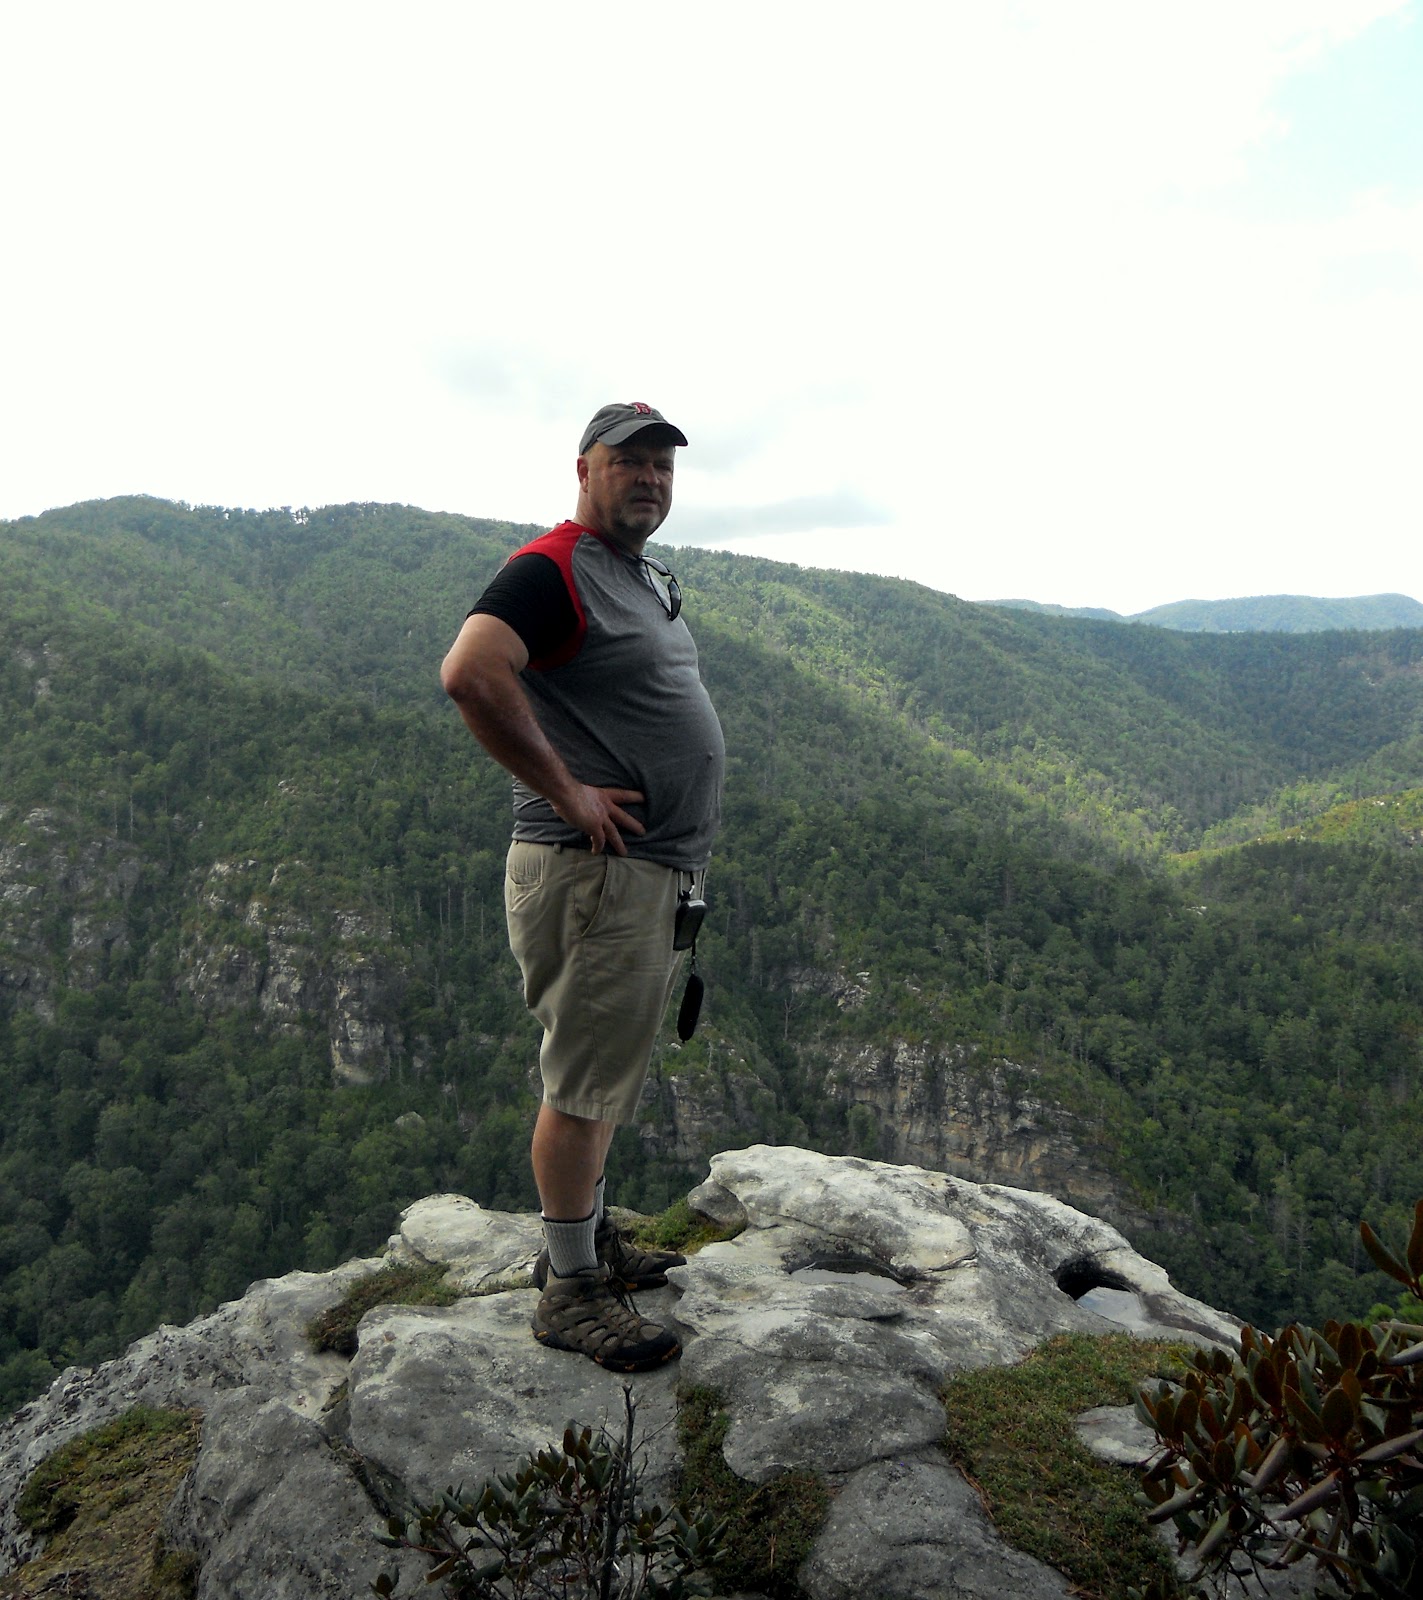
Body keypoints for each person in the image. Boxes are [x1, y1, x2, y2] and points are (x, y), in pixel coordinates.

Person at [440, 401, 725, 1372]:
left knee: (603, 1074)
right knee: (580, 1083)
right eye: (627, 461)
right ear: (583, 469)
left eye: (661, 465)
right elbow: (471, 671)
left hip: (637, 875)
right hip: (592, 871)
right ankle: (570, 1288)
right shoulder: (550, 568)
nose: (649, 478)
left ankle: (587, 1237)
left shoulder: (631, 573)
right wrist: (566, 790)